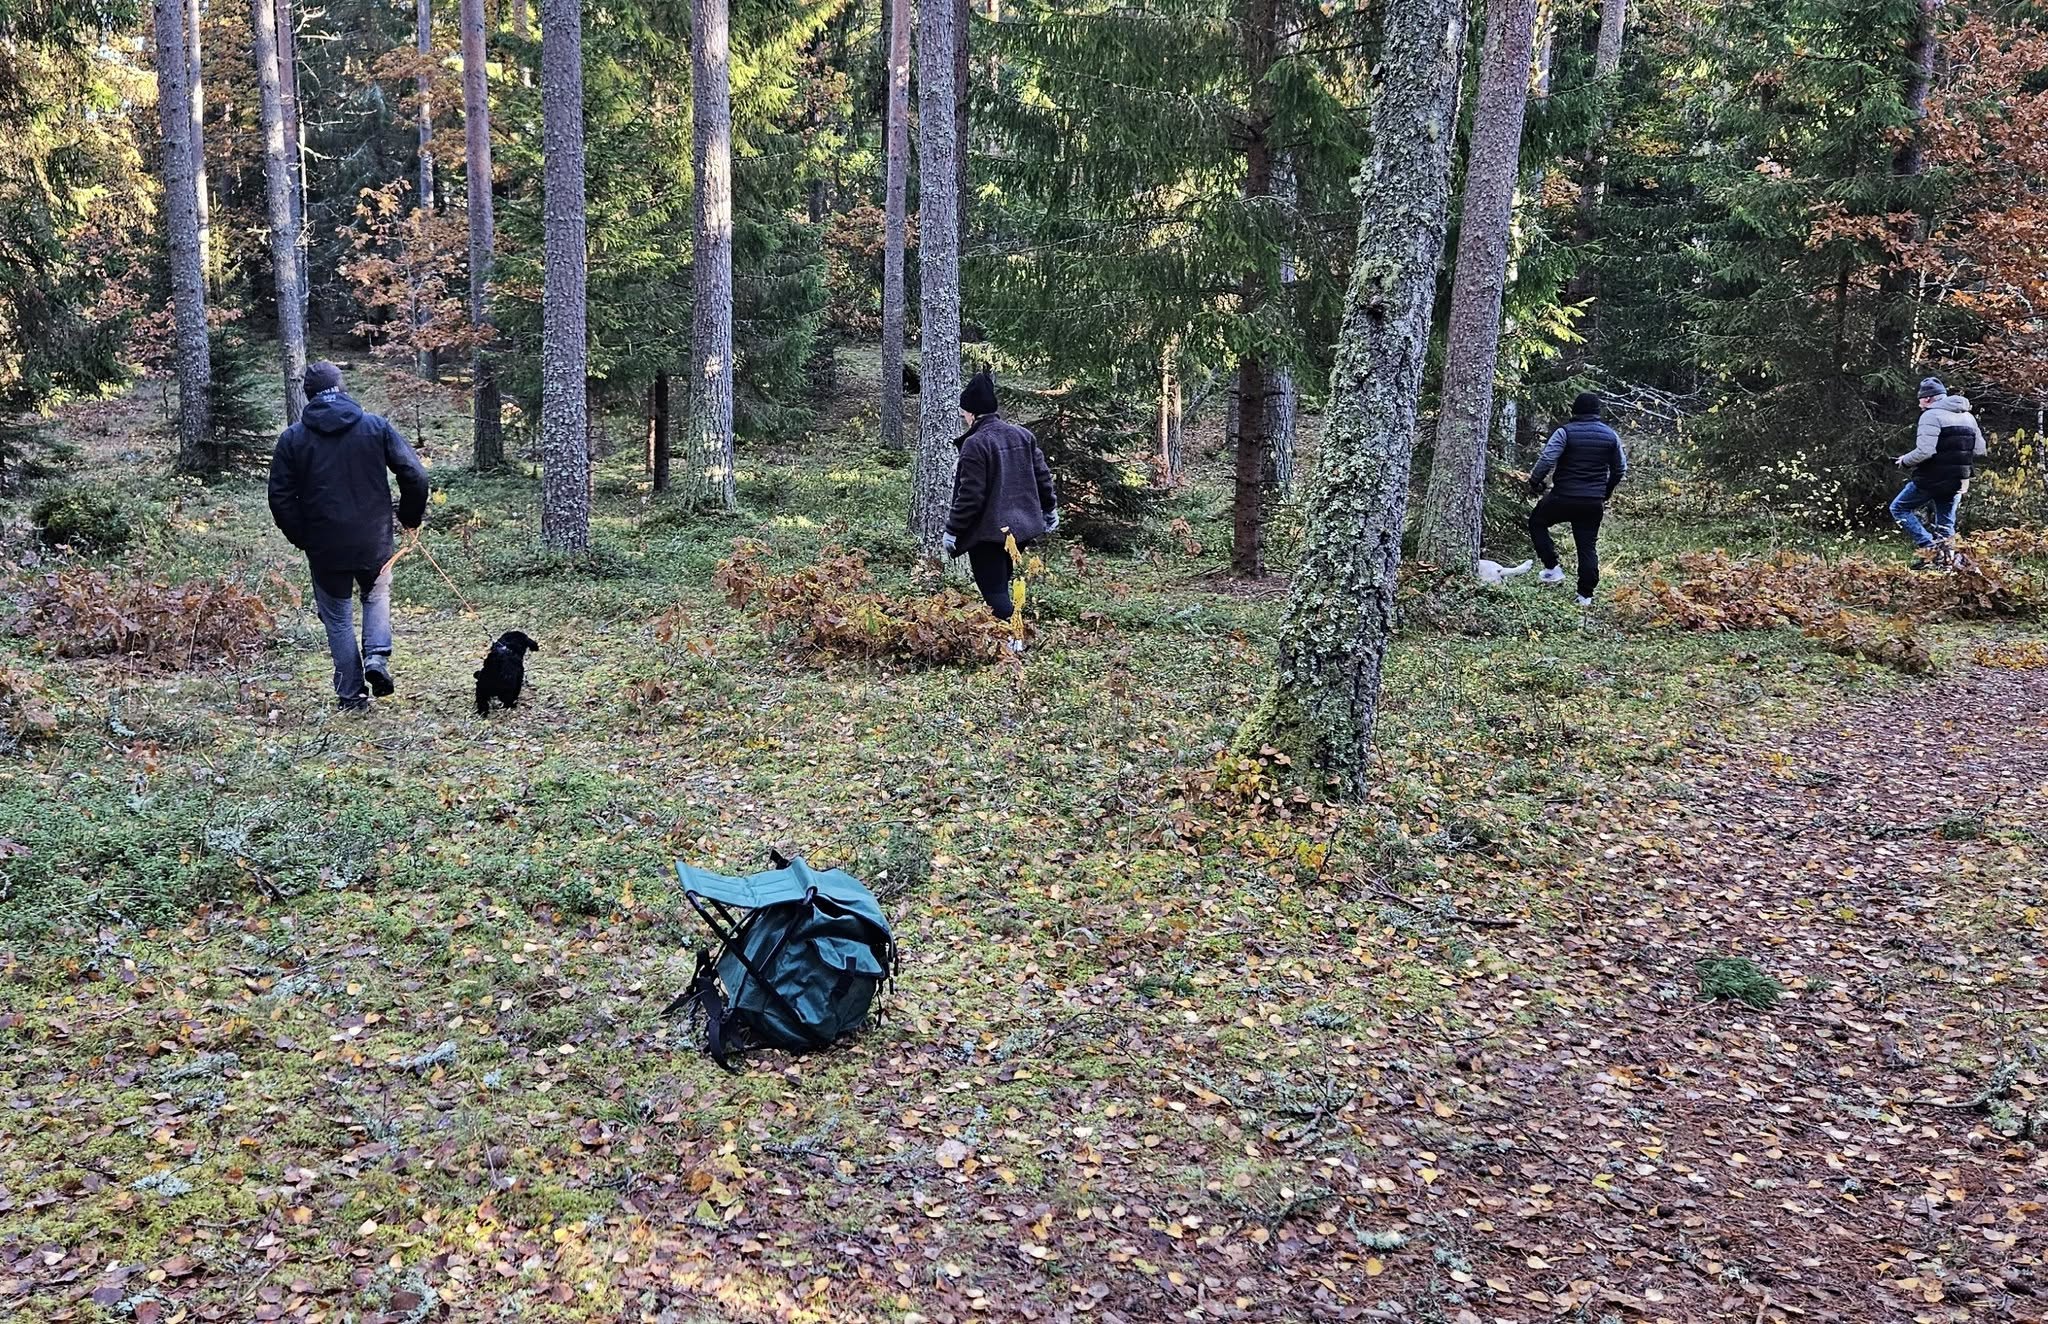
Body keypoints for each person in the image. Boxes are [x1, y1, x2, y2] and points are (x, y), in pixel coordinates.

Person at [267, 361, 430, 711]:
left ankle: (351, 696)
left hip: (325, 546)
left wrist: (303, 536)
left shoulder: (292, 438)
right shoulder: (375, 426)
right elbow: (415, 475)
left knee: (338, 618)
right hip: (374, 540)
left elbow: (279, 498)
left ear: (308, 395)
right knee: (376, 596)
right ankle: (377, 658)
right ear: (342, 388)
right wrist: (409, 516)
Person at [943, 368, 1058, 626]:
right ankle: (1007, 638)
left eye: (964, 412)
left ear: (971, 412)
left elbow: (970, 496)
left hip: (990, 533)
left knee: (993, 592)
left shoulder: (976, 444)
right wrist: (1050, 510)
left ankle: (1013, 640)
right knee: (1001, 583)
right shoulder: (1022, 435)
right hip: (1021, 529)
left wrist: (952, 531)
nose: (963, 417)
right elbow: (1043, 477)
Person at [1527, 391, 1627, 606]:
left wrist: (1535, 481)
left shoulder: (1565, 432)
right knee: (1587, 546)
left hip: (1563, 497)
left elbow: (1547, 458)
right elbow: (1620, 469)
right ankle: (1585, 596)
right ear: (1597, 412)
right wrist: (1606, 491)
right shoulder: (1611, 436)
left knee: (1537, 521)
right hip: (1592, 502)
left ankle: (1552, 568)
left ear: (1574, 411)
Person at [1892, 377, 1986, 570]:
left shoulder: (1931, 416)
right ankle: (1946, 564)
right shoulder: (1968, 416)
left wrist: (1904, 460)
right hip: (1959, 480)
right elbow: (1979, 450)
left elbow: (1925, 451)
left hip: (1932, 478)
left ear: (1928, 398)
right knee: (1945, 524)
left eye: (1920, 400)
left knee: (1899, 509)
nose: (1919, 404)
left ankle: (1930, 548)